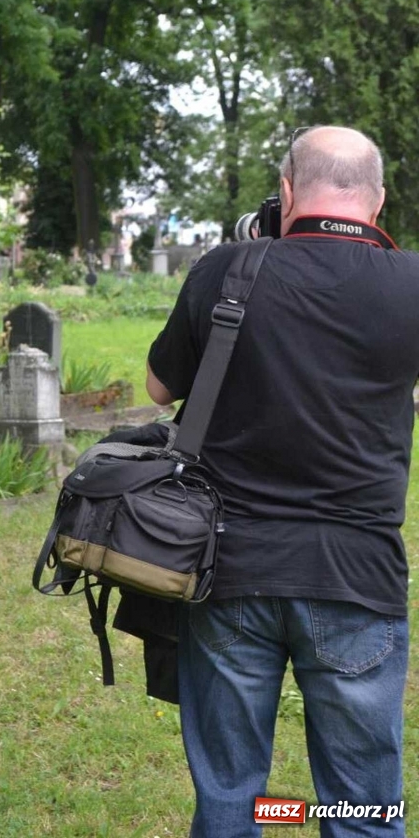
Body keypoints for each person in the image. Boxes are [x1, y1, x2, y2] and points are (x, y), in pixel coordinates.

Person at [145, 126, 419, 837]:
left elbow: (155, 387)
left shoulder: (225, 269)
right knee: (362, 809)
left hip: (231, 573)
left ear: (288, 190)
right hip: (357, 581)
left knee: (232, 801)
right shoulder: (413, 284)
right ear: (378, 199)